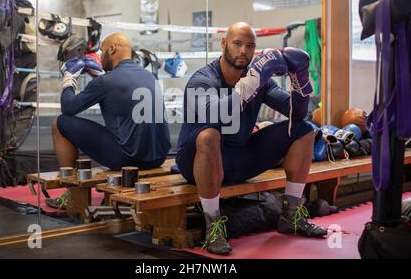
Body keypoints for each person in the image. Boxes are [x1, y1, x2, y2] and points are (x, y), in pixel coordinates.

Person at [176, 22, 327, 255]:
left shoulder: (258, 79)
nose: (243, 51)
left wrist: (300, 82)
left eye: (250, 46)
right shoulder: (203, 80)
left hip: (238, 158)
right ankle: (213, 227)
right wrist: (252, 81)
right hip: (196, 162)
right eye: (237, 44)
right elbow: (216, 115)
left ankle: (291, 216)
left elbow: (296, 113)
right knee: (209, 135)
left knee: (303, 129)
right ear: (224, 44)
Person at [51, 32, 171, 178]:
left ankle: (70, 192)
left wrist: (69, 78)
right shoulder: (149, 76)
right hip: (159, 158)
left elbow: (68, 108)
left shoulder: (105, 82)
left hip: (128, 159)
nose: (100, 57)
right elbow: (120, 88)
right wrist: (100, 76)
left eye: (102, 51)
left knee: (59, 123)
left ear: (112, 49)